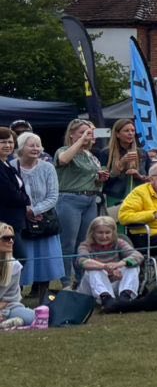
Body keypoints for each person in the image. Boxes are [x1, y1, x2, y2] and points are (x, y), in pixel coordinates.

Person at [54, 114, 104, 289]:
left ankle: (83, 280)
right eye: (82, 132)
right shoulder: (63, 150)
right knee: (68, 242)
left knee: (84, 243)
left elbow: (91, 178)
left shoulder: (91, 155)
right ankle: (66, 281)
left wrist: (100, 178)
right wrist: (81, 141)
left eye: (89, 132)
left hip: (90, 198)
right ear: (72, 135)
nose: (87, 135)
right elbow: (63, 160)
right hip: (69, 199)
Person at [12, 132, 62, 305]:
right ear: (20, 147)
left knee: (45, 263)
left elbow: (53, 195)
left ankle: (43, 301)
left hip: (44, 221)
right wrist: (25, 211)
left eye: (38, 145)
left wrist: (35, 210)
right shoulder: (11, 167)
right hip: (19, 222)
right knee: (20, 261)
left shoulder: (48, 168)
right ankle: (15, 299)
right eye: (31, 145)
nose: (35, 149)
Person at [74, 216, 142, 303]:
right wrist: (105, 267)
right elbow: (82, 261)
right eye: (100, 233)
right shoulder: (85, 245)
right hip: (92, 287)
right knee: (93, 269)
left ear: (113, 233)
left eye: (107, 233)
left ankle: (125, 296)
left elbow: (138, 256)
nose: (104, 236)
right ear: (93, 233)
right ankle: (106, 299)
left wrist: (119, 264)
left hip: (114, 282)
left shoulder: (119, 242)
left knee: (132, 266)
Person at [102, 118, 144, 212]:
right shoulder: (107, 153)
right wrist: (121, 163)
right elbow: (104, 181)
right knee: (117, 225)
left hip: (137, 196)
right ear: (117, 134)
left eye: (133, 130)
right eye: (126, 131)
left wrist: (139, 175)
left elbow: (150, 177)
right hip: (115, 196)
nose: (130, 133)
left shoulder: (142, 153)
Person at [0, 224, 32, 328]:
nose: (11, 241)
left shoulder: (14, 265)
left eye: (12, 238)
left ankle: (6, 320)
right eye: (6, 238)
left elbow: (12, 297)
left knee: (32, 317)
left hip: (8, 307)